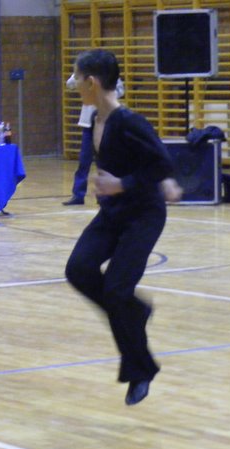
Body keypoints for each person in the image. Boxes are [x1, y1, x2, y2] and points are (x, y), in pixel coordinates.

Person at [65, 49, 182, 406]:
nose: (72, 83)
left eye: (76, 77)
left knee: (116, 291)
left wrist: (123, 184)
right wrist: (113, 189)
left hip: (143, 215)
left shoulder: (129, 121)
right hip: (113, 213)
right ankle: (136, 311)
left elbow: (162, 164)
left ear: (92, 82)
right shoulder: (94, 119)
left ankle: (140, 369)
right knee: (79, 269)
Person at [62, 75, 125, 206]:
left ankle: (103, 195)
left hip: (104, 122)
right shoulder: (84, 72)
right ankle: (78, 195)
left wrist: (105, 94)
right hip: (87, 124)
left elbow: (121, 90)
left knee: (104, 161)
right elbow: (70, 84)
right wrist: (79, 75)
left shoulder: (109, 72)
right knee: (84, 161)